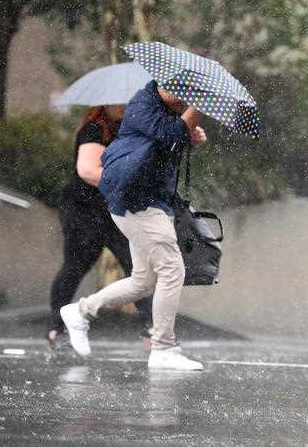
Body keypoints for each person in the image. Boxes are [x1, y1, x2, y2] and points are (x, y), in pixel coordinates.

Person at [60, 80, 207, 371]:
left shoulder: (161, 111)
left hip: (151, 200)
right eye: (180, 93)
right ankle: (163, 348)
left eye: (188, 95)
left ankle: (80, 311)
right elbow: (171, 133)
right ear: (162, 87)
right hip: (138, 202)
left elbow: (165, 144)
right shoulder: (142, 105)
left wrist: (191, 136)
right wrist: (194, 114)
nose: (183, 99)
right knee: (172, 270)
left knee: (143, 281)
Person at [47, 105, 152, 349]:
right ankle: (54, 327)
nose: (126, 106)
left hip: (115, 211)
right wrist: (127, 182)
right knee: (75, 267)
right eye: (119, 102)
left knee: (138, 268)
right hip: (84, 210)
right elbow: (87, 171)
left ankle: (153, 328)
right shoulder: (94, 129)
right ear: (105, 104)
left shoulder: (129, 131)